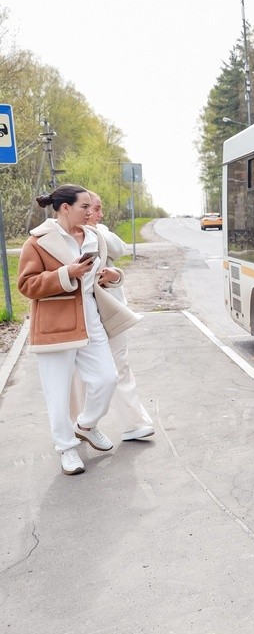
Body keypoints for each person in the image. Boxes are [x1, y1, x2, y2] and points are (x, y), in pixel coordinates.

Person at [17, 185, 139, 475]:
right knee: (57, 392)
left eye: (90, 206)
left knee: (107, 378)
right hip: (55, 326)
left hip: (91, 319)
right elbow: (26, 284)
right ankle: (66, 448)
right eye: (85, 206)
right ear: (64, 208)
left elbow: (106, 272)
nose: (91, 211)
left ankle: (85, 424)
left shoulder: (94, 237)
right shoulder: (37, 242)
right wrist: (65, 274)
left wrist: (113, 276)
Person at [68, 192, 153, 441]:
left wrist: (92, 229)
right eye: (93, 208)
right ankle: (78, 425)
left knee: (119, 367)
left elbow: (120, 248)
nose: (99, 213)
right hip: (79, 315)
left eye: (95, 208)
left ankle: (134, 423)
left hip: (110, 313)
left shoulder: (100, 232)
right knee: (78, 375)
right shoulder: (63, 237)